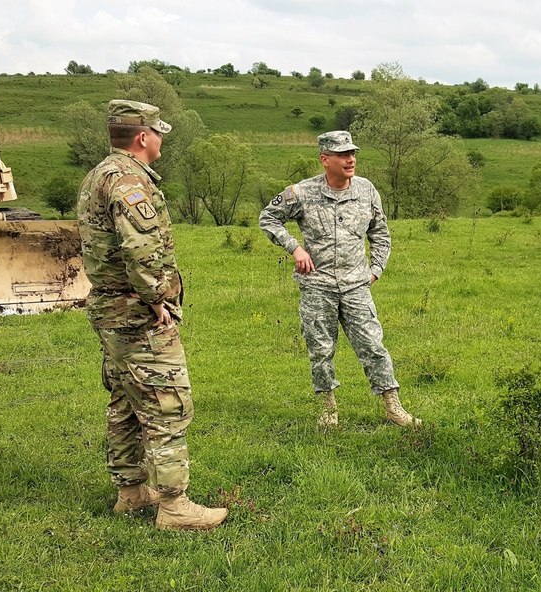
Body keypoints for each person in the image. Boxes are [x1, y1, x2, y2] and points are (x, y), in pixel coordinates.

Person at [77, 99, 227, 530]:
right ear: (143, 137)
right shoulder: (128, 182)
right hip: (135, 310)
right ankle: (174, 506)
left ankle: (130, 492)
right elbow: (139, 247)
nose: (161, 139)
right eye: (158, 132)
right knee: (167, 405)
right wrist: (157, 297)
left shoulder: (99, 174)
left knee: (126, 399)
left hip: (110, 307)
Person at [259, 130, 419, 429]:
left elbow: (380, 234)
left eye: (353, 153)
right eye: (343, 155)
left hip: (357, 285)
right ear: (325, 159)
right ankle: (328, 409)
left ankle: (393, 406)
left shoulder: (366, 190)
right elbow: (268, 217)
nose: (350, 159)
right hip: (317, 287)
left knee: (373, 345)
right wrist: (295, 248)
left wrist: (375, 270)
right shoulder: (302, 192)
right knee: (321, 349)